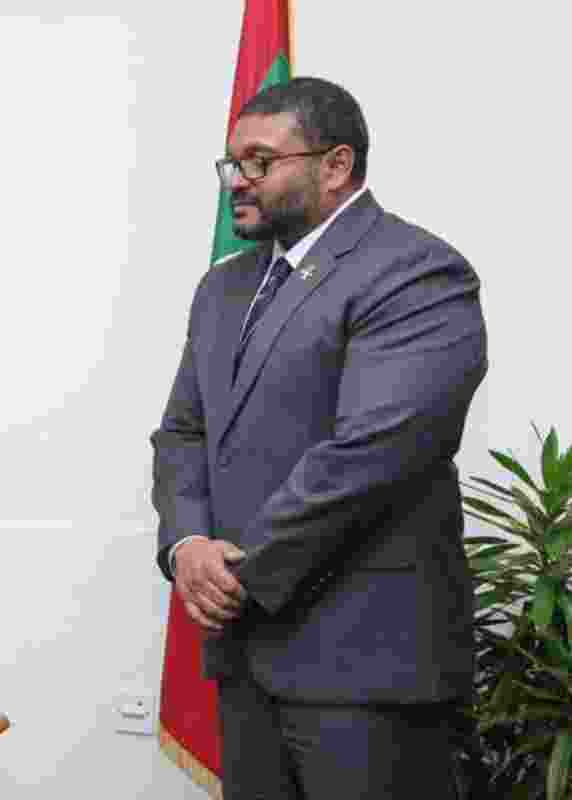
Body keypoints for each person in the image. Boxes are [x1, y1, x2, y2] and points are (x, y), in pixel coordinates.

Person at [150, 77, 486, 799]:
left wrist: (235, 572)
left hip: (365, 668)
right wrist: (188, 545)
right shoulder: (223, 288)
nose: (237, 182)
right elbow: (182, 432)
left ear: (334, 165)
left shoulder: (414, 272)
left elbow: (372, 454)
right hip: (244, 657)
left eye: (259, 162)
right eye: (232, 164)